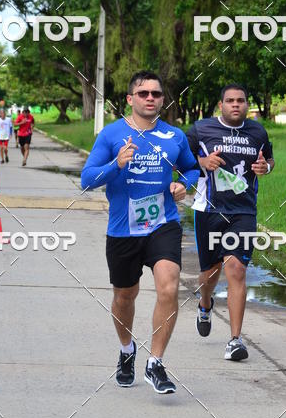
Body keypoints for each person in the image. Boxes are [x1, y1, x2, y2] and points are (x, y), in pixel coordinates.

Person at [81, 70, 199, 394]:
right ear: (130, 99)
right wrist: (115, 165)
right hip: (123, 229)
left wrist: (182, 185)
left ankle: (156, 363)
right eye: (143, 93)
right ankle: (126, 350)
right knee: (124, 296)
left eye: (156, 94)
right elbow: (87, 180)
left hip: (163, 224)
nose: (150, 98)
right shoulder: (111, 135)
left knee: (169, 287)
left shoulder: (174, 136)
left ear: (162, 99)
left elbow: (192, 169)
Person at [187, 84, 274, 361]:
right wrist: (203, 161)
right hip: (209, 209)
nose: (235, 105)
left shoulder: (257, 131)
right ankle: (205, 303)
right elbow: (182, 161)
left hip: (243, 211)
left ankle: (235, 340)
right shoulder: (201, 130)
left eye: (241, 101)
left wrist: (266, 168)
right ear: (220, 105)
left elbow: (269, 159)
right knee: (210, 273)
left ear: (247, 104)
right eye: (230, 101)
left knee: (236, 269)